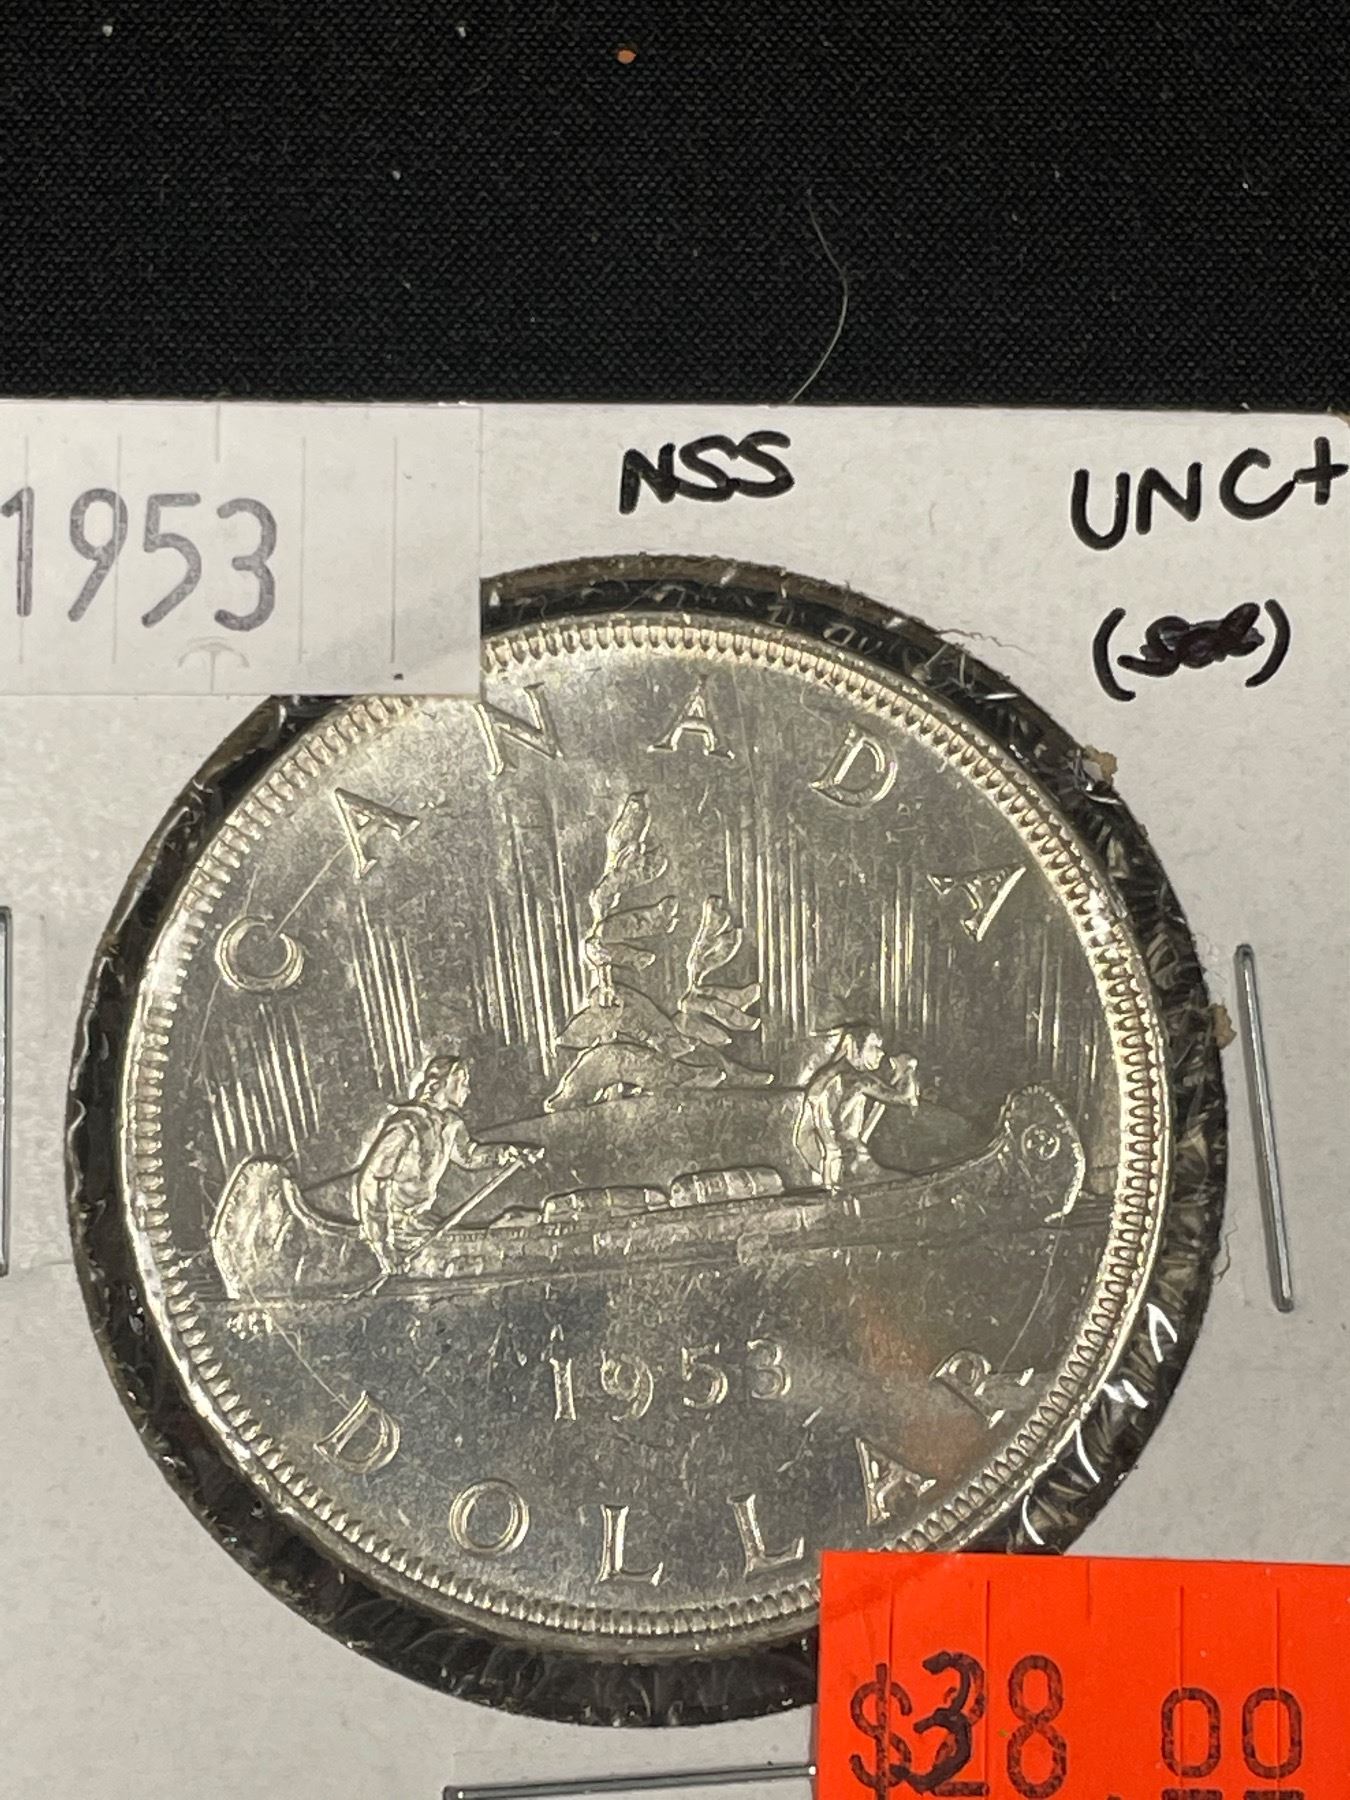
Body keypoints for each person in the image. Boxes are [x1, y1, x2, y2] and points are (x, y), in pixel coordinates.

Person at [355, 1053, 542, 1280]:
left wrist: (506, 1153)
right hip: (394, 1229)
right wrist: (383, 1246)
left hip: (421, 1222)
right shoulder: (406, 1126)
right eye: (462, 1082)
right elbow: (373, 1182)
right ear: (441, 1084)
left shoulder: (451, 1124)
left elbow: (469, 1156)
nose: (468, 1090)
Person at [794, 1025, 919, 1187]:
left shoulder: (836, 1076)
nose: (881, 1053)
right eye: (873, 1046)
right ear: (852, 1046)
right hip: (839, 1161)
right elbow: (904, 1098)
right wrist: (908, 1068)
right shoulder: (854, 1079)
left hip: (834, 1157)